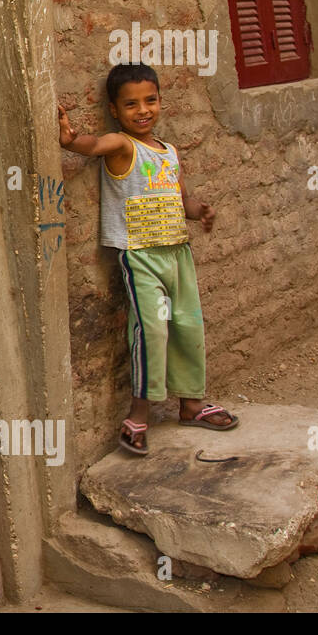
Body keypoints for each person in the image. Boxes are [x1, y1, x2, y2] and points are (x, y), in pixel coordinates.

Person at [57, 62, 238, 455]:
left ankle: (191, 403)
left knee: (188, 326)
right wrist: (71, 141)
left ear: (160, 101)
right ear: (115, 110)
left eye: (151, 100)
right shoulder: (123, 145)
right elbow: (95, 146)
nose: (143, 110)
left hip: (178, 253)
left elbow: (180, 196)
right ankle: (139, 414)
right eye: (131, 104)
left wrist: (198, 210)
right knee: (151, 331)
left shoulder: (169, 152)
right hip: (140, 256)